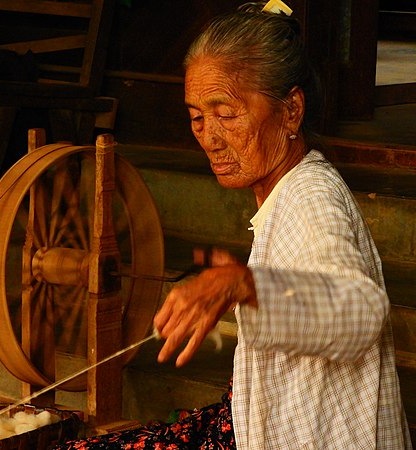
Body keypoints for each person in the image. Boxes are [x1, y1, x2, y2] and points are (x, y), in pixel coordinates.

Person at [55, 2, 412, 448]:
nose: (209, 136)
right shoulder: (283, 192)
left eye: (226, 114)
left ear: (291, 111)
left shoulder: (312, 199)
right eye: (196, 117)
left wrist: (247, 285)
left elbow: (361, 312)